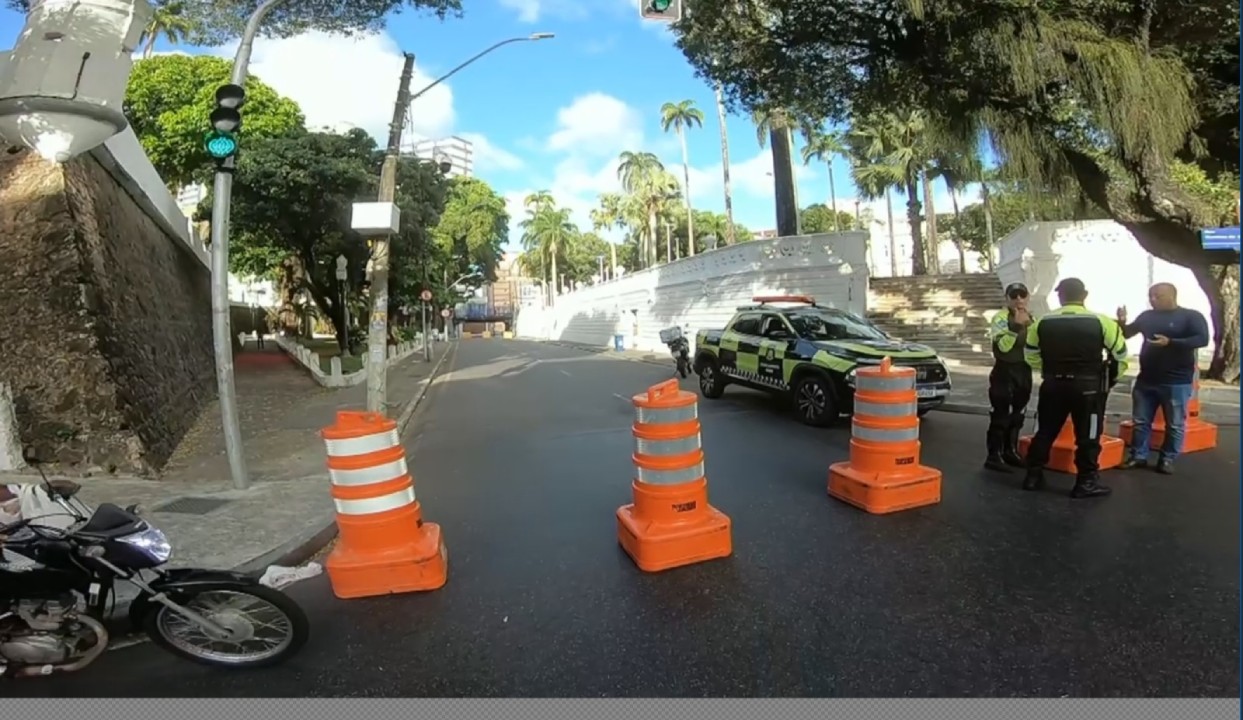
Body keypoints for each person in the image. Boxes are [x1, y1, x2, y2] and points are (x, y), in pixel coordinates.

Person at [1021, 278, 1129, 498]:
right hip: (1088, 387)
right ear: (1084, 295)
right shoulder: (1102, 321)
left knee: (1044, 431)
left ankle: (1033, 476)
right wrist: (1110, 379)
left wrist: (1049, 371)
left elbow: (1030, 354)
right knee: (1088, 435)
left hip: (1053, 385)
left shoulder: (1042, 321)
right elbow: (1120, 355)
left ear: (1060, 296)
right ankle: (1086, 482)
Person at [1115, 283, 1210, 474]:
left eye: (1158, 296)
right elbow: (1126, 334)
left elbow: (1202, 339)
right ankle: (1138, 455)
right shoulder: (1146, 316)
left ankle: (1167, 458)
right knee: (1141, 421)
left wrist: (1171, 342)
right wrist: (1121, 321)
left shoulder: (1190, 316)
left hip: (1176, 380)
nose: (1153, 299)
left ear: (1172, 296)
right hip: (1147, 378)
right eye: (1151, 296)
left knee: (1174, 424)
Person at [984, 282, 1035, 471]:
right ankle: (994, 455)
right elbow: (1003, 348)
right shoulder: (1000, 318)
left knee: (1018, 413)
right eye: (1014, 296)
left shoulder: (1032, 319)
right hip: (1004, 370)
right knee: (1000, 414)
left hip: (1024, 370)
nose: (1019, 299)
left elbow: (1035, 346)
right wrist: (1015, 328)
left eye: (1022, 295)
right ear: (1007, 299)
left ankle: (1010, 450)